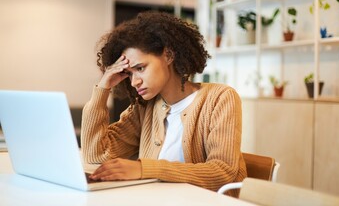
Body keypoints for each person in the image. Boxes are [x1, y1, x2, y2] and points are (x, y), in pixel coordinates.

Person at [81, 11, 247, 197]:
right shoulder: (145, 107)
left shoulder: (220, 98)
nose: (134, 81)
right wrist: (102, 89)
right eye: (129, 73)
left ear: (168, 55)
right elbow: (96, 155)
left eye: (140, 68)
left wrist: (144, 168)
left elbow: (222, 173)